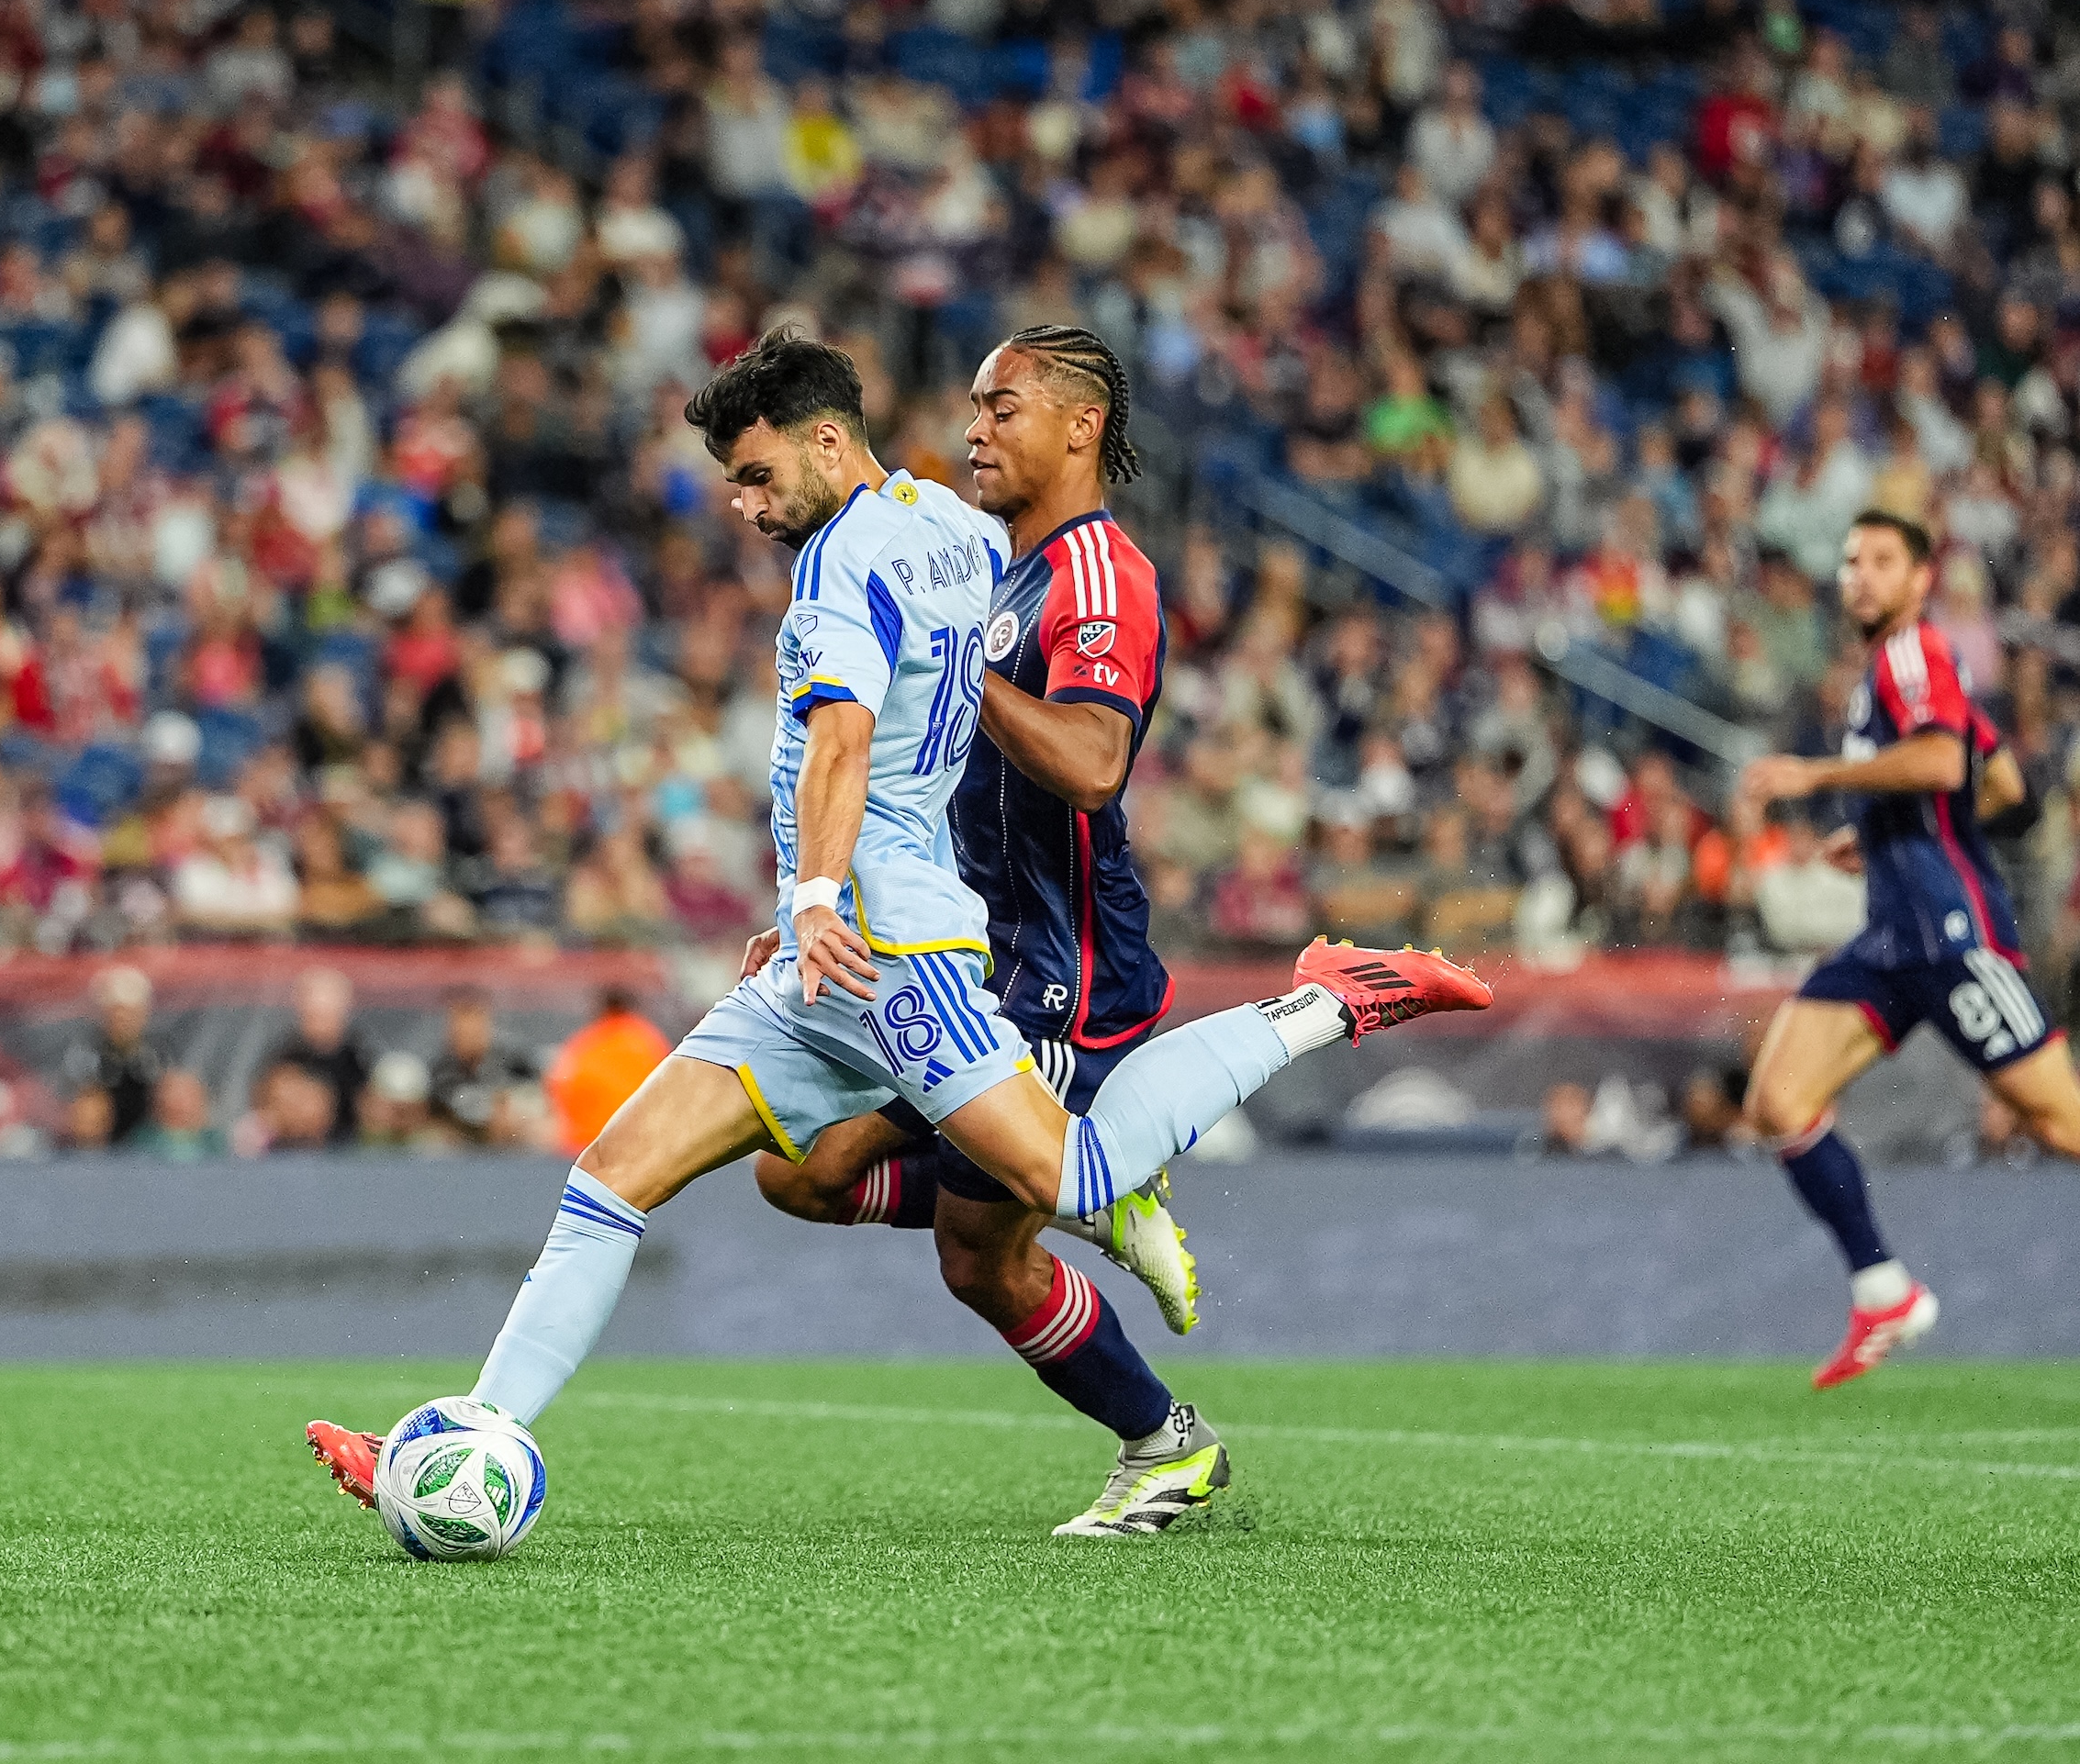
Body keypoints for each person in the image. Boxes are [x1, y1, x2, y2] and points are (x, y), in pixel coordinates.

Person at [308, 329, 1488, 1527]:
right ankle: (474, 1431)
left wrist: (815, 896)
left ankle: (1329, 1000)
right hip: (823, 962)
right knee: (622, 1175)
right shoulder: (948, 527)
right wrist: (801, 908)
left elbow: (845, 743)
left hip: (896, 957)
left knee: (1070, 1174)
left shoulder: (847, 564)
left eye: (758, 475)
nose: (743, 504)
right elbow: (918, 696)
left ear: (829, 443)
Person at [745, 327, 1219, 1534]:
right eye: (972, 407)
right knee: (795, 1169)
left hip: (1061, 976)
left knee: (976, 1257)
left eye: (1001, 408)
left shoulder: (1097, 576)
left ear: (1080, 425)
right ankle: (1076, 1186)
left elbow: (1095, 763)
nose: (973, 430)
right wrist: (813, 906)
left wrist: (958, 671)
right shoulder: (989, 569)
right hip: (961, 949)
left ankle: (1162, 1441)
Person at [1738, 508, 2080, 1390]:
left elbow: (1939, 765)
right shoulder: (1893, 671)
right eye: (1852, 560)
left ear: (1922, 578)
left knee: (2062, 1122)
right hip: (1893, 940)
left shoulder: (1912, 654)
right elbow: (2001, 783)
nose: (1860, 575)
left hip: (1951, 936)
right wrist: (1885, 831)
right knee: (1779, 1098)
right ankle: (1883, 1290)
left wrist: (1818, 776)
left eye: (1882, 560)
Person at [543, 987, 671, 1156]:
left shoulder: (586, 1041)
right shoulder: (649, 1040)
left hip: (586, 1144)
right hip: (639, 1143)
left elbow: (559, 1085)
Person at [61, 966, 164, 1142]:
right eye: (116, 1013)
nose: (123, 1021)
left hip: (149, 1143)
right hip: (98, 1146)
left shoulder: (158, 1053)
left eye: (131, 1013)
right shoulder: (85, 1054)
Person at [426, 987, 539, 1146]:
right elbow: (434, 1118)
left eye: (475, 1020)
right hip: (463, 1146)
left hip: (513, 1145)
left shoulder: (514, 1063)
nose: (468, 1030)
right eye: (460, 1022)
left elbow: (538, 1103)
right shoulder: (440, 1072)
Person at [269, 967, 372, 1141]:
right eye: (316, 1013)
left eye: (329, 1011)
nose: (323, 1019)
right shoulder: (286, 1061)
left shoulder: (357, 1058)